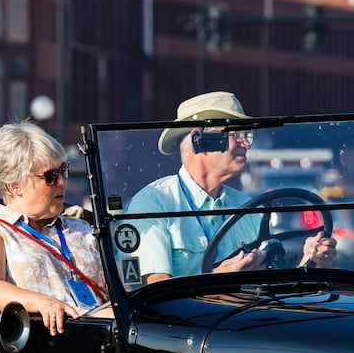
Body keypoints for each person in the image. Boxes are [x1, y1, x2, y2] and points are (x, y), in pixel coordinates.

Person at [126, 90, 336, 285]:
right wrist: (217, 281)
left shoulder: (248, 208)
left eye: (248, 136)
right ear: (201, 139)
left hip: (244, 322)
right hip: (185, 325)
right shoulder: (152, 205)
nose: (247, 144)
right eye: (237, 134)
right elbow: (152, 298)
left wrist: (309, 263)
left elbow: (271, 291)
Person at [0, 120, 107, 335]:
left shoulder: (83, 227)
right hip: (39, 343)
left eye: (63, 170)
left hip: (103, 337)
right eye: (51, 176)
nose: (63, 182)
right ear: (15, 186)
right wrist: (42, 303)